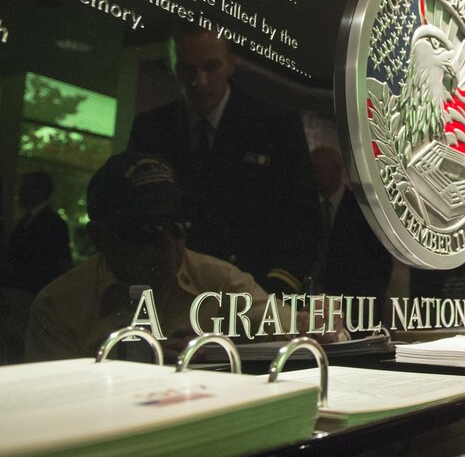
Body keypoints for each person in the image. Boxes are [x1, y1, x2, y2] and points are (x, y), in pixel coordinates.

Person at [24, 152, 336, 363]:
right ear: (100, 236)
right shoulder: (61, 306)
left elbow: (284, 322)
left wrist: (318, 325)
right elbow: (47, 411)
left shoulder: (217, 280)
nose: (168, 244)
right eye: (147, 229)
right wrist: (133, 369)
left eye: (178, 225)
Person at [127, 24, 321, 295]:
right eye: (187, 69)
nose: (200, 81)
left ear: (231, 65)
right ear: (171, 67)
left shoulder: (274, 126)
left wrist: (276, 288)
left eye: (211, 67)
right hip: (171, 293)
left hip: (250, 292)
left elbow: (304, 218)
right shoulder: (151, 130)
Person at [309, 146, 393, 304]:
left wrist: (370, 301)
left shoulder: (362, 210)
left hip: (356, 304)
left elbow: (381, 261)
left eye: (318, 168)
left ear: (336, 170)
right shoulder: (311, 210)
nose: (313, 175)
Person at [3, 171, 72, 294]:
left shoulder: (53, 223)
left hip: (33, 291)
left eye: (25, 188)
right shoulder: (29, 220)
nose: (20, 193)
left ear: (39, 191)